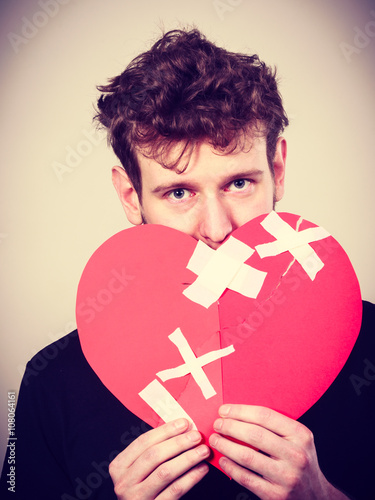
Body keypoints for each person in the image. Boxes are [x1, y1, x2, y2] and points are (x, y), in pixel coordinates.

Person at [1, 28, 374, 500]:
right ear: (130, 197)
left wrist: (324, 497)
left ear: (277, 171)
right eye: (179, 193)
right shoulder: (50, 383)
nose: (217, 229)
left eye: (239, 184)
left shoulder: (367, 342)